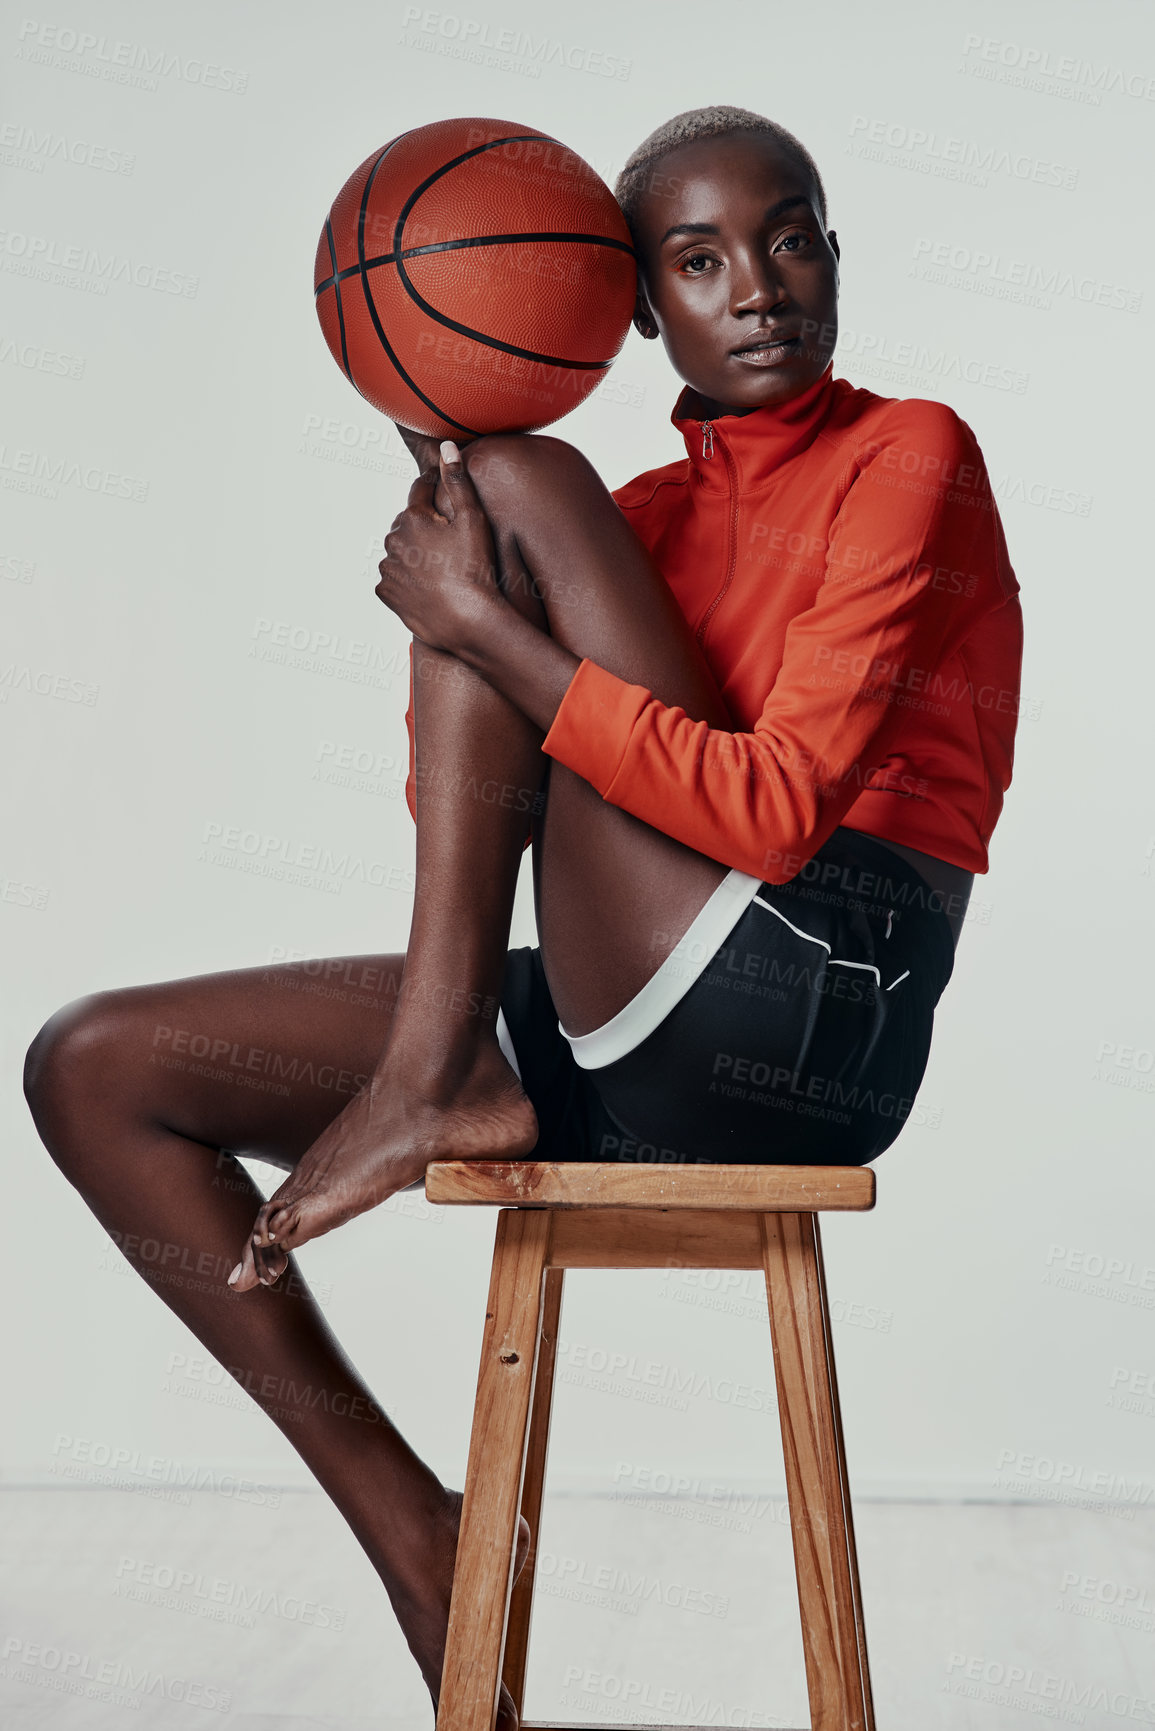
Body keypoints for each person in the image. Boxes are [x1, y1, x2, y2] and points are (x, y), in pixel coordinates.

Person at [23, 106, 1022, 1729]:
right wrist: (473, 617)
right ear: (635, 310)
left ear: (836, 253)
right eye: (697, 259)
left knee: (505, 481)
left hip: (817, 994)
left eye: (791, 237)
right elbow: (472, 823)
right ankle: (422, 1539)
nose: (758, 285)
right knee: (95, 1066)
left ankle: (429, 1080)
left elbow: (770, 815)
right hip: (629, 1003)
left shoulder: (911, 448)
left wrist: (492, 613)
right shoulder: (626, 517)